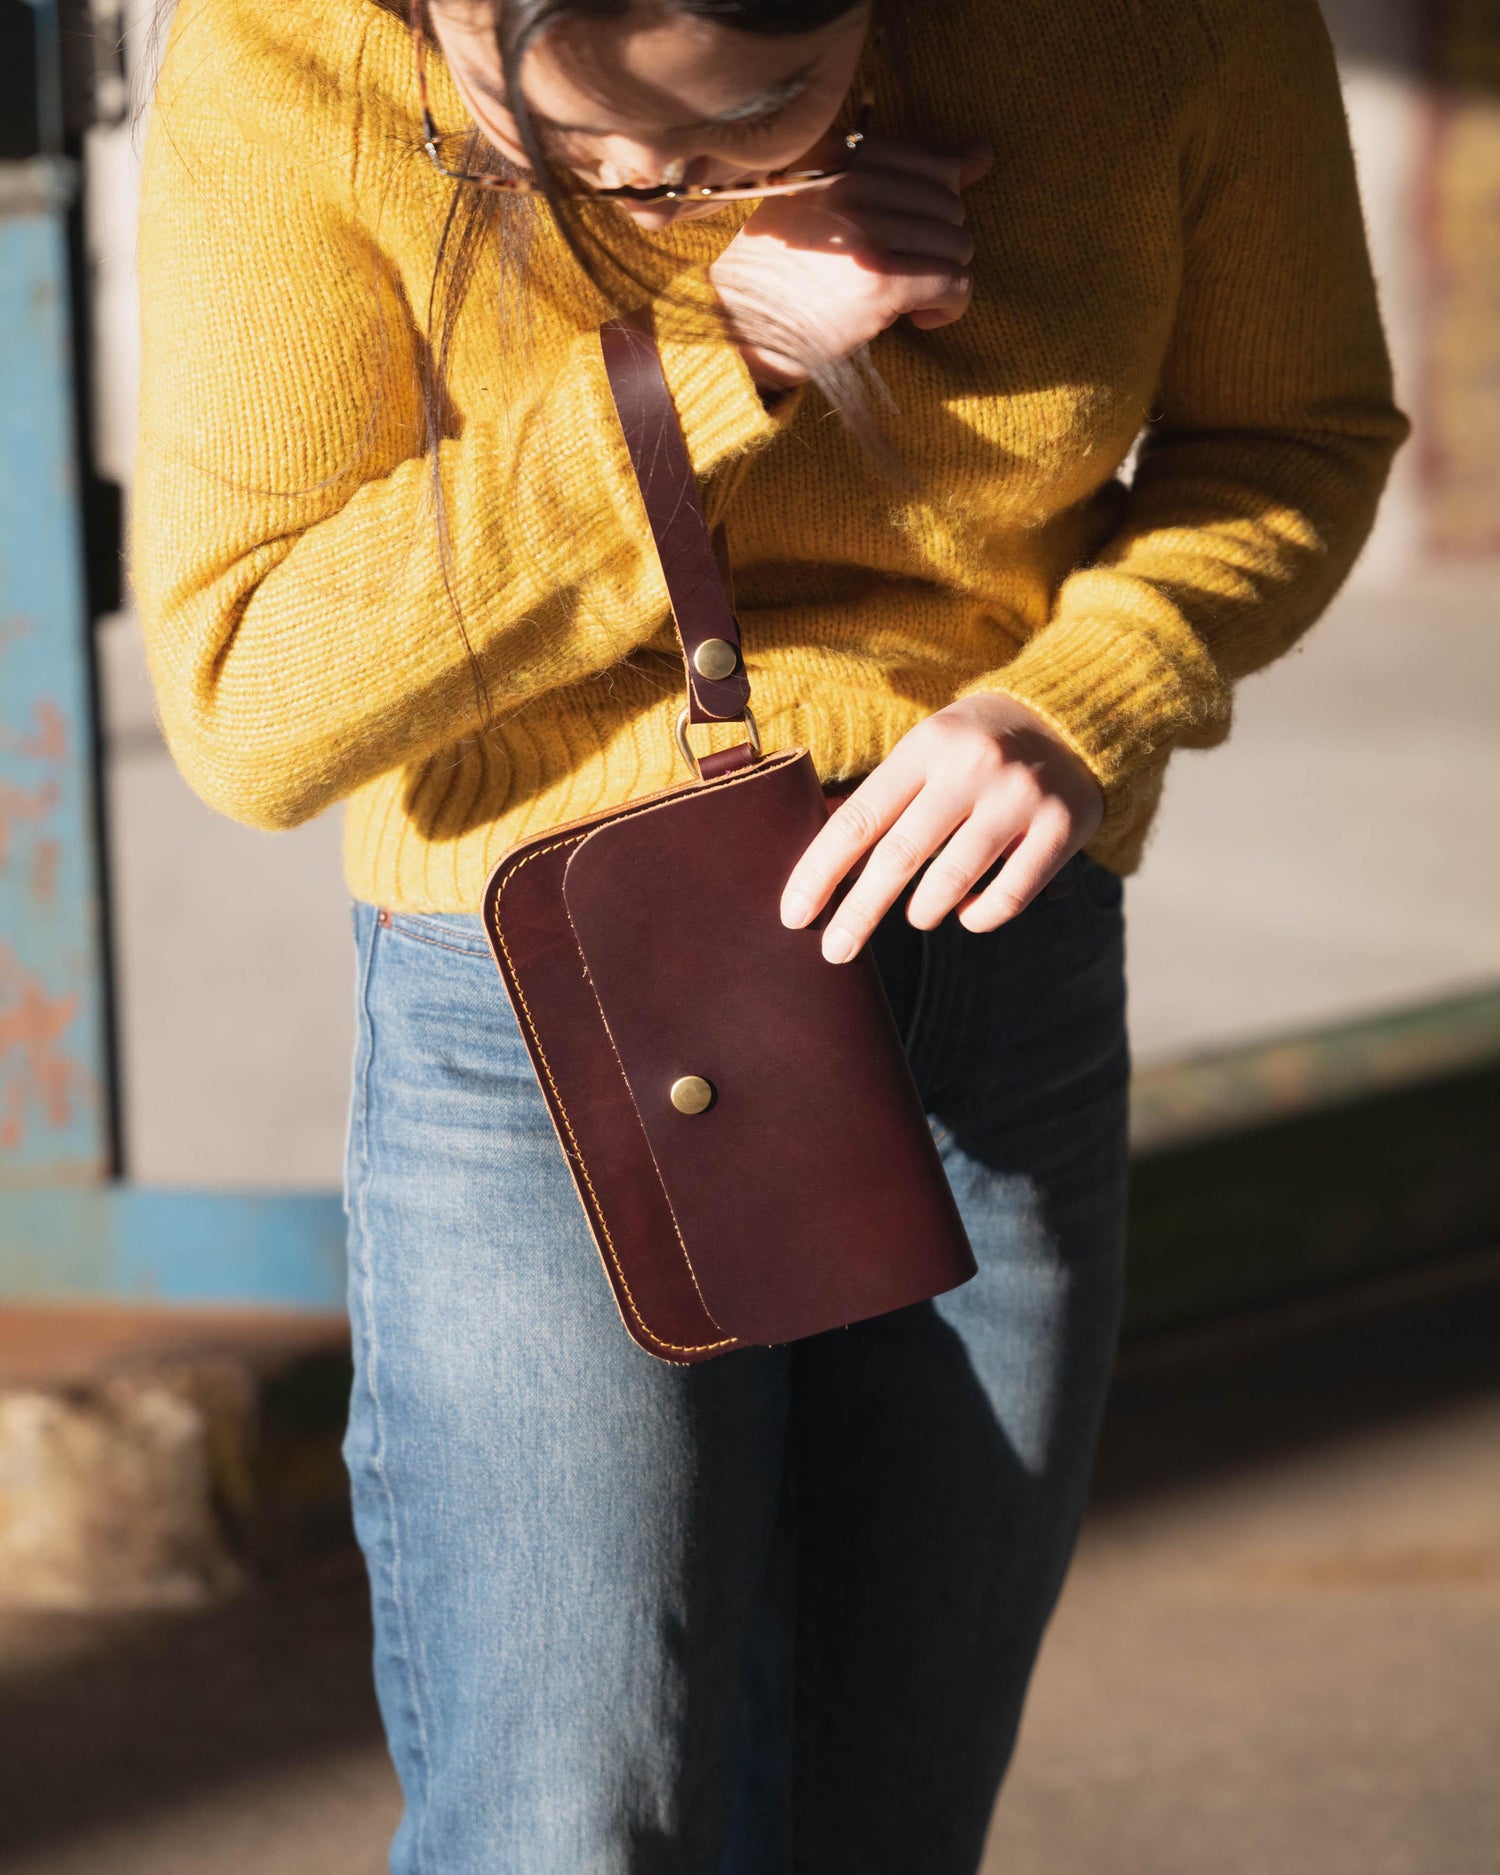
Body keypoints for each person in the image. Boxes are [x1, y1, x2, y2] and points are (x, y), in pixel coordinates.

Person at [132, 0, 1406, 1862]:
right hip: (550, 993)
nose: (645, 180)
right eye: (556, 133)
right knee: (566, 1829)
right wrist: (710, 354)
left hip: (994, 967)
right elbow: (250, 695)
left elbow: (1294, 436)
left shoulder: (1153, 27)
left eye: (749, 114)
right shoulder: (302, 55)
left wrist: (1091, 693)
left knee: (879, 1820)